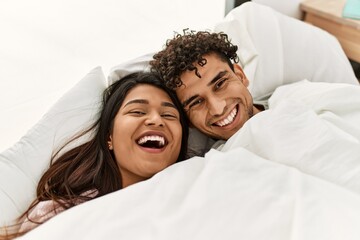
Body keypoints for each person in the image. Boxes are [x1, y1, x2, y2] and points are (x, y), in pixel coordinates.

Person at [0, 72, 189, 239]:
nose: (156, 120)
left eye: (169, 115)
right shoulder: (61, 211)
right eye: (137, 111)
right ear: (109, 138)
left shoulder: (196, 196)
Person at [150, 30, 264, 144]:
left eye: (220, 84)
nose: (218, 110)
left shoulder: (281, 101)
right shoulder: (212, 161)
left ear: (240, 76)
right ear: (188, 121)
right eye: (196, 102)